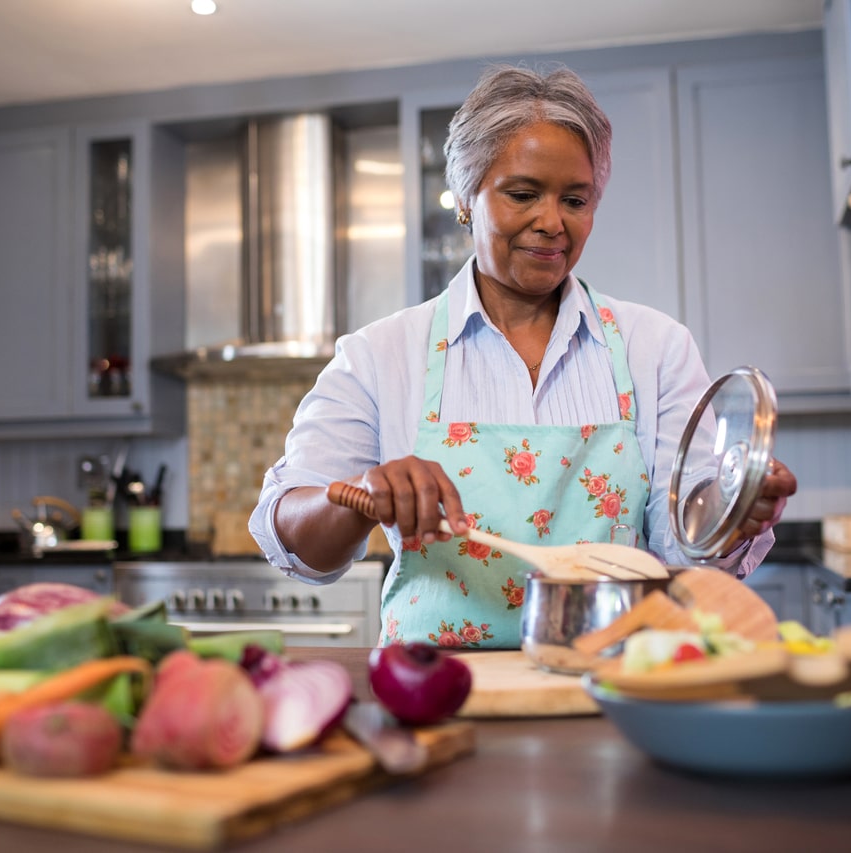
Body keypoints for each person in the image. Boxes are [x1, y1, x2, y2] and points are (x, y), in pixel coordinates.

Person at [250, 63, 798, 648]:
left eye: (576, 199)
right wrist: (360, 493)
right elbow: (293, 539)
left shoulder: (655, 347)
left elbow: (685, 552)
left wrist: (734, 506)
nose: (552, 222)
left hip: (613, 686)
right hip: (436, 695)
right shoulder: (379, 356)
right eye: (522, 194)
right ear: (466, 198)